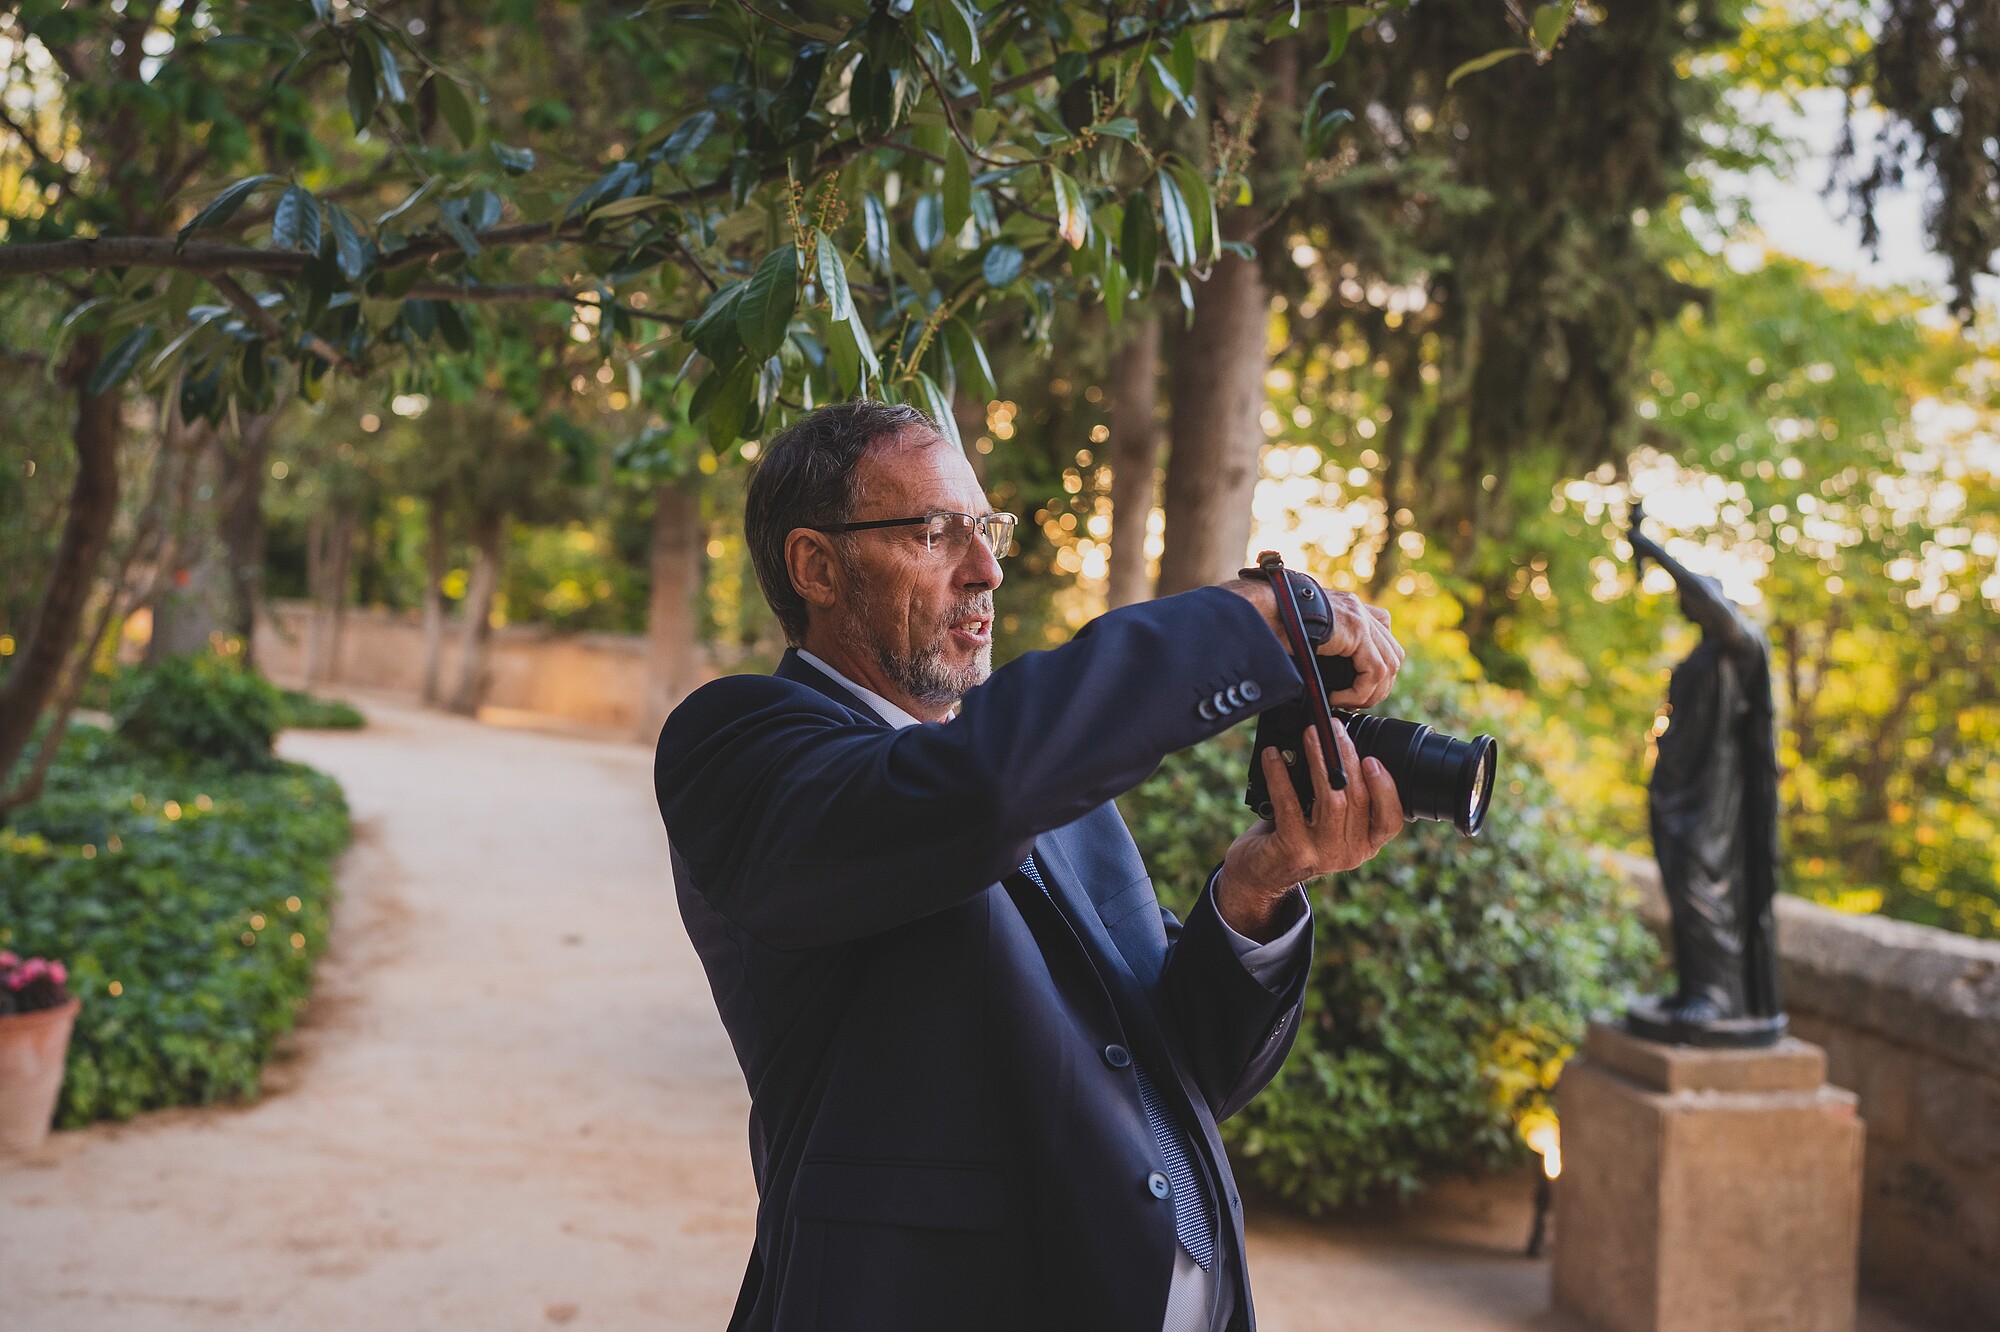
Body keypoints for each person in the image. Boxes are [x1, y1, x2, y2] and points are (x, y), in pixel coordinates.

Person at [654, 400, 1407, 1332]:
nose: (987, 569)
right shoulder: (741, 745)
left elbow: (1187, 1069)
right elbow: (971, 796)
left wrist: (1258, 889)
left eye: (987, 529)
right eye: (936, 533)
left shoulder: (1049, 777)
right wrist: (1251, 620)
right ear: (816, 565)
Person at [1624, 503, 1785, 1044]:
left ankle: (1717, 995)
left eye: (1691, 595)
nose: (1684, 602)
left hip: (1716, 798)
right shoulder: (1701, 655)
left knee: (1704, 886)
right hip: (1679, 793)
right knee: (1682, 888)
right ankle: (1697, 985)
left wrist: (1653, 551)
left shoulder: (1741, 647)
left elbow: (1713, 602)